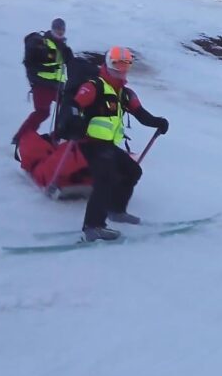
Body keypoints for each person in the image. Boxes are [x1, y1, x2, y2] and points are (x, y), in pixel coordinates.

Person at [64, 46, 169, 241]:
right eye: (118, 64)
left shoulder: (125, 93)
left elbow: (141, 114)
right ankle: (93, 226)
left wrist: (158, 122)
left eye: (126, 64)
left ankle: (116, 210)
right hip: (90, 143)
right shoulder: (94, 86)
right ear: (108, 64)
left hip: (108, 145)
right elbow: (73, 105)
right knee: (106, 179)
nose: (122, 69)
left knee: (132, 171)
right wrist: (75, 121)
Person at [13, 17, 74, 144]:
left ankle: (58, 137)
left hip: (58, 85)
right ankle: (21, 139)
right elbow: (30, 63)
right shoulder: (42, 44)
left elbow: (70, 63)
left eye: (62, 29)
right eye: (57, 29)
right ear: (52, 29)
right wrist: (50, 68)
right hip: (42, 85)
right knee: (43, 112)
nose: (60, 32)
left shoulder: (62, 47)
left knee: (66, 109)